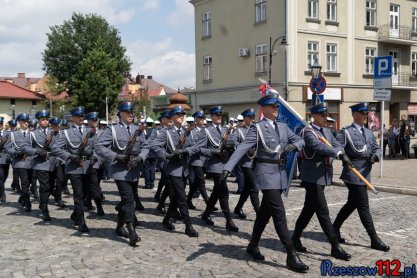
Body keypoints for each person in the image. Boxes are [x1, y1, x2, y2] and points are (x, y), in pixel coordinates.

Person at [220, 93, 308, 273]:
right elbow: (243, 148)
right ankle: (291, 255)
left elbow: (301, 139)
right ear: (264, 109)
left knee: (264, 214)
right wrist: (227, 168)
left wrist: (295, 146)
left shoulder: (283, 127)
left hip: (280, 174)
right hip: (266, 175)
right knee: (279, 213)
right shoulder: (257, 128)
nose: (276, 109)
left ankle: (252, 245)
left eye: (277, 107)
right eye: (273, 107)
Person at [292, 102, 351, 261]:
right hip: (312, 177)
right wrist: (338, 154)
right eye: (323, 115)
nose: (326, 118)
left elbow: (337, 143)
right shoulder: (308, 132)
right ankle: (334, 246)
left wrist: (339, 150)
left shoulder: (326, 131)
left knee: (308, 209)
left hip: (322, 176)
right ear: (314, 116)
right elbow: (319, 147)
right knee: (322, 211)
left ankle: (295, 237)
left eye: (327, 115)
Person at [333, 102, 390, 252]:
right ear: (355, 114)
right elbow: (337, 147)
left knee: (352, 204)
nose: (366, 115)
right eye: (363, 113)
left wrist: (376, 157)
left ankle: (334, 228)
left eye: (366, 113)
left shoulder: (368, 132)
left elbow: (377, 148)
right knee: (363, 207)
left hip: (365, 174)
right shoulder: (346, 132)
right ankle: (374, 239)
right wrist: (343, 156)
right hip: (353, 174)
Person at [95, 102, 145, 247]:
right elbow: (99, 147)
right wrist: (116, 156)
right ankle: (131, 231)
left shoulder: (137, 129)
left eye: (132, 112)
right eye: (127, 112)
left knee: (127, 200)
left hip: (134, 170)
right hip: (120, 170)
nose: (131, 114)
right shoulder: (113, 130)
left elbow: (146, 146)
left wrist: (140, 157)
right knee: (129, 199)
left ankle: (118, 226)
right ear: (120, 114)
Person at [145, 105, 200, 237]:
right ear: (173, 117)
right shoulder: (166, 132)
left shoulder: (187, 132)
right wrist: (167, 155)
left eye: (183, 115)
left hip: (184, 169)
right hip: (172, 169)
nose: (181, 117)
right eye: (178, 115)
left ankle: (166, 219)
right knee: (182, 197)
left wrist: (185, 151)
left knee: (175, 199)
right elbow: (155, 146)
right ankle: (188, 226)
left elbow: (195, 147)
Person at [52, 107, 97, 233]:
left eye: (82, 116)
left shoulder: (90, 131)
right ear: (72, 118)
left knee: (87, 193)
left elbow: (97, 147)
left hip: (88, 166)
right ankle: (81, 221)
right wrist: (68, 156)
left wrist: (95, 157)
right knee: (78, 194)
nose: (81, 118)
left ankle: (75, 213)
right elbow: (55, 148)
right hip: (74, 166)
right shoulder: (66, 132)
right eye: (78, 116)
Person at [200, 106, 239, 232]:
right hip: (215, 165)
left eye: (220, 115)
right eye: (216, 115)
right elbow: (200, 148)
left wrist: (231, 146)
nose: (219, 117)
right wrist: (213, 152)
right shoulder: (206, 131)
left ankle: (206, 213)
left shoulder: (225, 130)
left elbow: (232, 144)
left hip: (225, 164)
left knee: (217, 192)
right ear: (211, 117)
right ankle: (229, 221)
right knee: (223, 192)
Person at [23, 110, 58, 221]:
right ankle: (44, 209)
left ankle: (43, 203)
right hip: (40, 163)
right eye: (43, 119)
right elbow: (26, 147)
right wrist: (37, 152)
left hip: (53, 162)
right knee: (45, 186)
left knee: (51, 187)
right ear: (38, 121)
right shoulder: (32, 133)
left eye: (47, 119)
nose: (45, 121)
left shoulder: (53, 132)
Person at [228, 108, 260, 219]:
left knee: (247, 188)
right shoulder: (239, 131)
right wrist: (244, 148)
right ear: (245, 118)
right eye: (249, 117)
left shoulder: (258, 129)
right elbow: (232, 142)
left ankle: (237, 208)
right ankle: (259, 213)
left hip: (256, 162)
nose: (252, 119)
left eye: (253, 117)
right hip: (246, 162)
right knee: (254, 188)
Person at [5, 113, 33, 212]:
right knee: (25, 182)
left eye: (27, 121)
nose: (26, 123)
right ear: (19, 122)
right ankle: (28, 203)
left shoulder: (32, 133)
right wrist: (16, 152)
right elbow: (7, 148)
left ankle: (22, 197)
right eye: (23, 121)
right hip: (20, 161)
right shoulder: (13, 134)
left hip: (31, 161)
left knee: (29, 182)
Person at [187, 111, 210, 210]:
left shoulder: (206, 130)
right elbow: (192, 145)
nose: (201, 120)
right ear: (195, 119)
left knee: (196, 182)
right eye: (199, 118)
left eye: (202, 118)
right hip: (195, 159)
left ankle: (188, 200)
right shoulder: (192, 131)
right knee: (201, 180)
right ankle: (209, 203)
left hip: (204, 159)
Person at [0, 117, 10, 203]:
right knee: (1, 176)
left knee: (5, 175)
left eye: (0, 124)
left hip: (6, 157)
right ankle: (2, 194)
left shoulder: (8, 133)